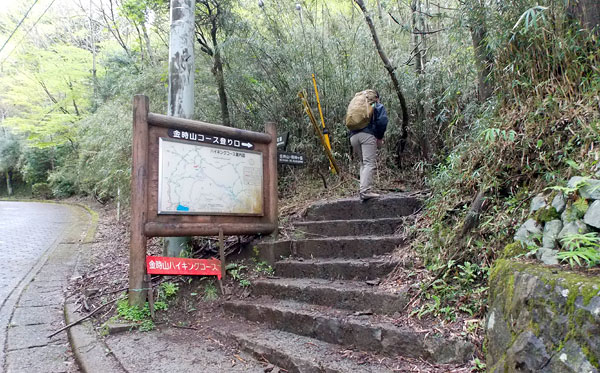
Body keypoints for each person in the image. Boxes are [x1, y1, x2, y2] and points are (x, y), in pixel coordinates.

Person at [349, 90, 388, 201]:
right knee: (369, 163)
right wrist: (379, 137)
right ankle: (365, 191)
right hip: (367, 135)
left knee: (363, 163)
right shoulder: (375, 105)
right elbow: (382, 121)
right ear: (377, 98)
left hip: (353, 136)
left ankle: (363, 189)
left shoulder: (357, 106)